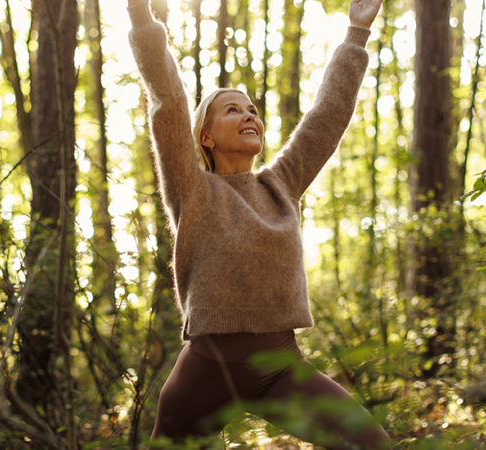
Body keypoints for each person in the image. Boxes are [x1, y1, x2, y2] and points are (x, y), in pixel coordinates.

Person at [127, 0, 390, 448]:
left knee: (373, 444)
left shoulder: (281, 185)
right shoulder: (192, 189)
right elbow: (168, 101)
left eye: (251, 109)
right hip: (206, 371)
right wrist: (140, 16)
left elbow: (327, 117)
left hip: (281, 370)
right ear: (205, 137)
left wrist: (356, 33)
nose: (249, 115)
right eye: (232, 110)